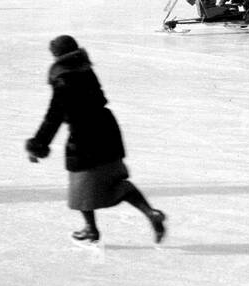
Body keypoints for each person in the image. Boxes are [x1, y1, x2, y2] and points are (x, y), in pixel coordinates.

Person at [25, 35, 165, 244]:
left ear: (56, 55)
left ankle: (91, 228)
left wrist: (38, 145)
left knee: (80, 184)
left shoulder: (62, 76)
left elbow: (54, 115)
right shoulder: (85, 66)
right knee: (116, 182)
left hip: (84, 134)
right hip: (106, 129)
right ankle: (150, 212)